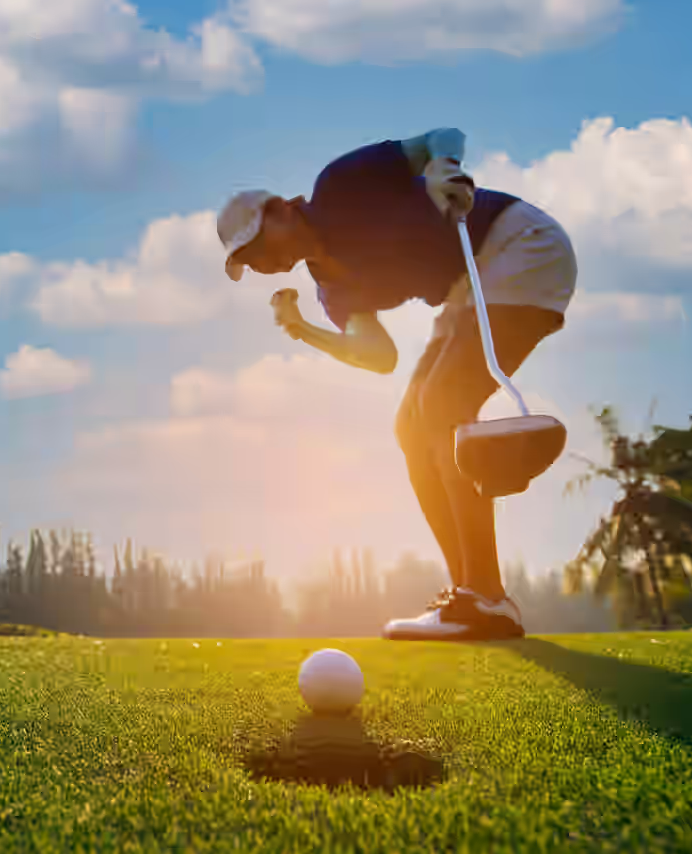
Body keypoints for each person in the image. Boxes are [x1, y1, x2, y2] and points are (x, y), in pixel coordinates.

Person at [216, 128, 576, 640]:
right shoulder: (332, 288)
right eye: (245, 262)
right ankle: (470, 598)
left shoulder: (339, 184)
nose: (254, 265)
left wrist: (440, 168)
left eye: (250, 248)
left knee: (442, 406)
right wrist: (304, 331)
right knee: (412, 427)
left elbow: (443, 136)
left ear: (278, 211)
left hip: (521, 243)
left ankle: (484, 599)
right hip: (471, 290)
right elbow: (378, 356)